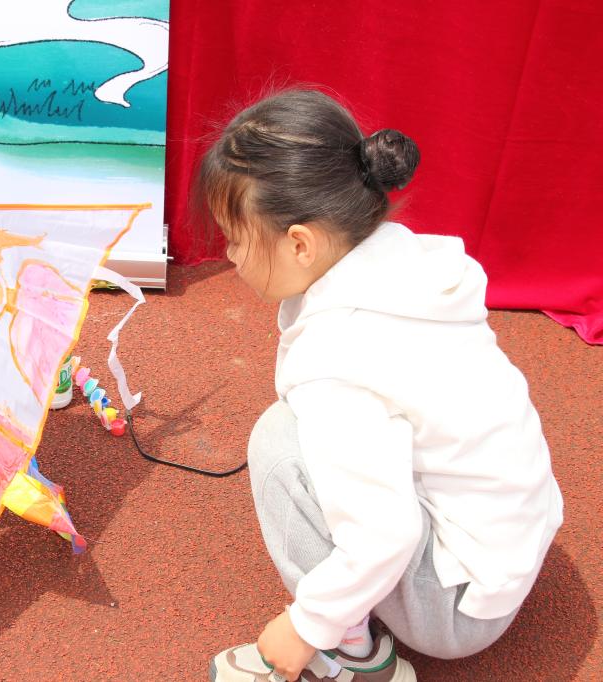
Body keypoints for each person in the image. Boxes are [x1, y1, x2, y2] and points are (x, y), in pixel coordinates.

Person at [200, 90, 563, 681]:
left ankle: (353, 655)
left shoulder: (338, 354)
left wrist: (306, 625)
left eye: (236, 237)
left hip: (457, 612)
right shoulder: (408, 264)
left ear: (300, 243)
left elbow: (384, 532)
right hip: (507, 548)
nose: (230, 255)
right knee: (322, 438)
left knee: (279, 443)